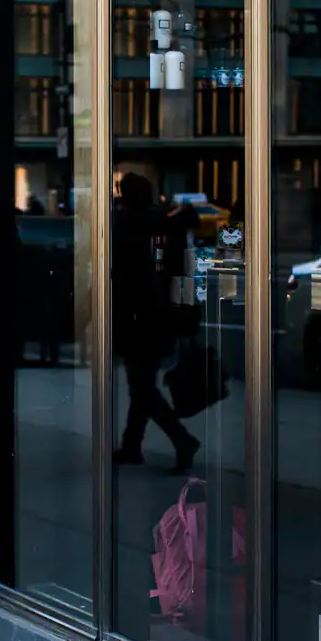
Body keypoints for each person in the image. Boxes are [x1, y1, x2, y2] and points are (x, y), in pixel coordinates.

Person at [110, 172, 201, 474]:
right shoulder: (163, 224)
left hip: (141, 316)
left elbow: (132, 271)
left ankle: (181, 439)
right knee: (141, 383)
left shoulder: (135, 225)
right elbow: (178, 271)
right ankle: (132, 444)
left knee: (141, 385)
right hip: (155, 317)